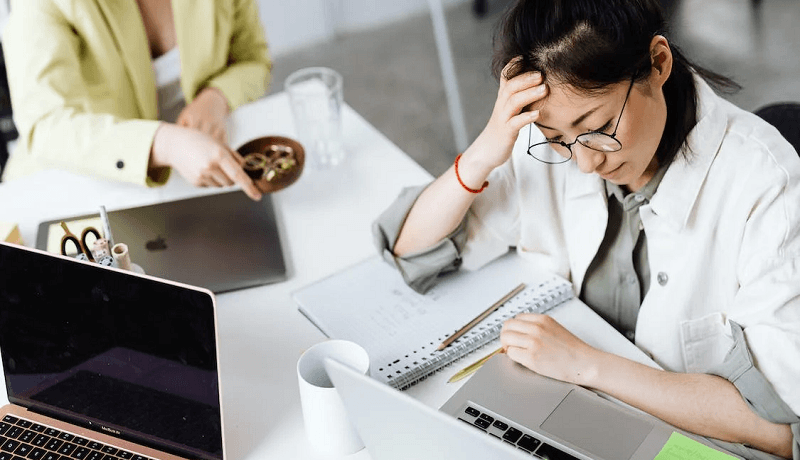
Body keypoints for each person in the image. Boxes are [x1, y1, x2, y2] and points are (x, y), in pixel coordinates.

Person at [373, 0, 800, 458]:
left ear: (658, 63)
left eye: (596, 127)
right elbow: (411, 250)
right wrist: (486, 150)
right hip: (577, 407)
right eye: (557, 138)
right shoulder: (553, 143)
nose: (585, 161)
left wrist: (585, 365)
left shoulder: (765, 183)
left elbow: (776, 428)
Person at [1, 0, 269, 200]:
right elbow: (47, 125)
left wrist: (216, 97)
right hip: (79, 178)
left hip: (197, 165)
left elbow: (253, 59)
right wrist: (165, 143)